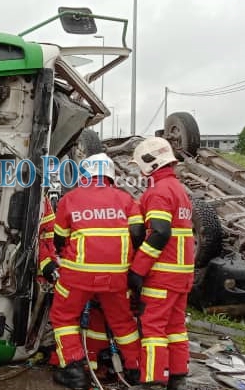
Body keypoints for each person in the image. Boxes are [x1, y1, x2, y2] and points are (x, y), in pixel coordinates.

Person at [49, 153, 143, 389]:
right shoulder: (126, 200)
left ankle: (74, 371)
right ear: (110, 174)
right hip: (116, 275)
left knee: (63, 316)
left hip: (77, 274)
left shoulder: (70, 199)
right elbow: (138, 234)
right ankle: (134, 368)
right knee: (122, 321)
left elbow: (59, 239)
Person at [128, 136, 195, 390]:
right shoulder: (179, 190)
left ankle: (154, 380)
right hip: (182, 274)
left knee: (153, 326)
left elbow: (160, 232)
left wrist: (137, 269)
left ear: (148, 162)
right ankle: (178, 376)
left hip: (162, 273)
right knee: (176, 326)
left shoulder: (158, 192)